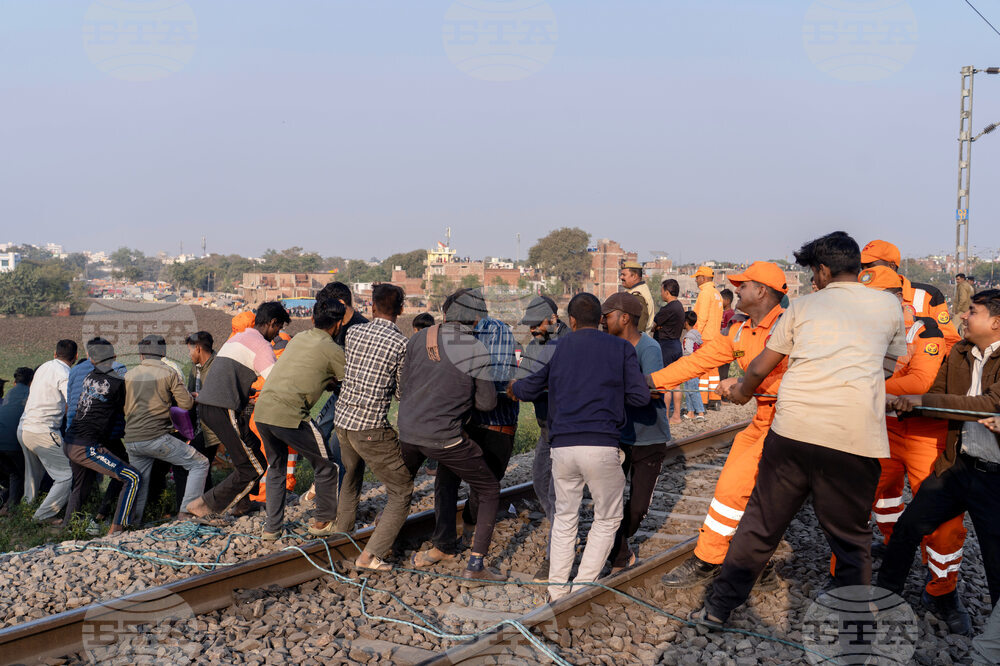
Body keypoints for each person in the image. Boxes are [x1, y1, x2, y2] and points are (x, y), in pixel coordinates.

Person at [691, 231, 906, 628]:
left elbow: (760, 366)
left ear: (823, 270)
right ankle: (851, 629)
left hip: (791, 433)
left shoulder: (803, 307)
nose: (813, 281)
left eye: (814, 272)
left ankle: (717, 609)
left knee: (760, 526)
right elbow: (889, 367)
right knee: (852, 541)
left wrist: (741, 391)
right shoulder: (890, 307)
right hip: (853, 440)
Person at [653, 262, 788, 587]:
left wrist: (744, 386)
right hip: (763, 420)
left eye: (743, 285)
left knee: (753, 494)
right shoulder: (740, 331)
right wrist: (652, 381)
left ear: (762, 291)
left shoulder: (790, 327)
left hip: (791, 421)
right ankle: (717, 560)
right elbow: (699, 361)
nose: (736, 290)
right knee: (734, 489)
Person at [853, 266, 971, 633]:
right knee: (855, 501)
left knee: (945, 521)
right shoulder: (858, 329)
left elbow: (920, 380)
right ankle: (847, 575)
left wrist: (862, 389)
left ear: (897, 298)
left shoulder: (926, 331)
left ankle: (942, 590)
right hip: (881, 429)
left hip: (926, 434)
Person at [510, 293, 649, 600]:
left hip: (562, 449)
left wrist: (513, 388)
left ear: (571, 321)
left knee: (565, 517)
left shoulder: (559, 348)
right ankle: (584, 585)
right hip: (602, 446)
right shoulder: (621, 348)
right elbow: (640, 398)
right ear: (600, 318)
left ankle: (557, 590)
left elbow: (530, 387)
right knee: (608, 517)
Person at [879, 289, 1000, 614]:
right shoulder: (959, 351)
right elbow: (934, 396)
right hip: (957, 468)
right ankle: (884, 595)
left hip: (995, 478)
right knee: (907, 529)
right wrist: (905, 405)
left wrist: (924, 401)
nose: (963, 315)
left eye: (972, 311)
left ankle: (990, 633)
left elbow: (990, 404)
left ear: (996, 322)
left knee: (995, 559)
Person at [397, 289, 505, 582]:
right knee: (489, 489)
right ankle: (476, 565)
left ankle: (384, 546)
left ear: (445, 314)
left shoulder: (419, 337)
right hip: (444, 435)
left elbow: (404, 382)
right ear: (475, 319)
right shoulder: (474, 348)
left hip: (407, 431)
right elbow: (487, 403)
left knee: (405, 485)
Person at [333, 284, 413, 570]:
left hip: (342, 420)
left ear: (372, 306)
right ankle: (370, 556)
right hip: (370, 426)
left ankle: (342, 533)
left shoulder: (353, 333)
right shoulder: (402, 344)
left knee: (351, 475)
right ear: (401, 311)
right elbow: (402, 393)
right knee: (402, 490)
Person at [185, 302, 289, 519]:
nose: (277, 334)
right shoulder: (261, 344)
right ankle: (204, 505)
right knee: (254, 466)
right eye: (278, 328)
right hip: (225, 408)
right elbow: (277, 382)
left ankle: (243, 504)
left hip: (210, 406)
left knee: (250, 457)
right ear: (272, 323)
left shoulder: (239, 337)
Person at [254, 298, 347, 540]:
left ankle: (272, 529)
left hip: (263, 411)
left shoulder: (299, 339)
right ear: (338, 324)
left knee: (276, 467)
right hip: (291, 414)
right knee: (327, 466)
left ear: (314, 319)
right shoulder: (333, 349)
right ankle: (323, 521)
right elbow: (348, 382)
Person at [439, 289, 518, 553]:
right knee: (445, 481)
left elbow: (495, 382)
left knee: (483, 487)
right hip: (461, 421)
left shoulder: (496, 331)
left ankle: (471, 535)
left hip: (493, 421)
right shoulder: (450, 333)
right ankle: (445, 540)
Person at [602, 292, 672, 572]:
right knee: (611, 500)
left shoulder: (649, 348)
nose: (604, 321)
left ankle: (617, 542)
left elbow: (654, 392)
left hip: (649, 437)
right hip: (618, 435)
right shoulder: (607, 346)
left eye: (608, 316)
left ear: (625, 318)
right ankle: (618, 553)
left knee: (638, 507)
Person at [122, 335, 208, 523]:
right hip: (156, 437)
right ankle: (187, 511)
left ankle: (131, 524)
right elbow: (185, 404)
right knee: (199, 463)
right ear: (163, 353)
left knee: (140, 482)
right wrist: (191, 397)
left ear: (141, 354)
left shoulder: (129, 375)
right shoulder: (169, 373)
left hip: (132, 440)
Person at [62, 339, 141, 535]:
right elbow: (131, 409)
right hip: (87, 447)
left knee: (80, 485)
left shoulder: (88, 376)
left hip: (70, 441)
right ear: (114, 358)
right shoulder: (117, 381)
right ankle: (117, 528)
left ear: (90, 359)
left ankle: (68, 529)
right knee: (132, 477)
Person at [517, 295, 568, 582]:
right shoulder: (534, 346)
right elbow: (526, 381)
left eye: (536, 324)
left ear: (552, 319)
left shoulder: (570, 342)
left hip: (568, 430)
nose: (532, 330)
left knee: (555, 493)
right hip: (546, 428)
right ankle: (562, 528)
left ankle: (555, 555)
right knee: (539, 480)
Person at [312, 282, 369, 491]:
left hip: (354, 399)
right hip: (338, 394)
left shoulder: (360, 328)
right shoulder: (337, 324)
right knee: (317, 433)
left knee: (342, 449)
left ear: (342, 304)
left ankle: (340, 495)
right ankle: (325, 485)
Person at [860, 239, 961, 351]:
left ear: (891, 266)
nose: (865, 272)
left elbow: (950, 342)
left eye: (870, 266)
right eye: (862, 267)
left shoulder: (927, 296)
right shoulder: (856, 295)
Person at [18, 339, 77, 522]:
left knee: (33, 475)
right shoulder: (66, 373)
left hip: (24, 427)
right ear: (75, 357)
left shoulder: (44, 367)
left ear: (54, 353)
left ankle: (26, 511)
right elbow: (71, 403)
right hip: (43, 430)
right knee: (67, 476)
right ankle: (42, 516)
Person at [175, 331, 222, 511]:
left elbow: (219, 397)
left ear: (198, 348)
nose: (189, 354)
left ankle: (185, 509)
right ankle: (208, 507)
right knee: (203, 466)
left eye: (190, 350)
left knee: (185, 463)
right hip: (199, 427)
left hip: (213, 428)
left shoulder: (217, 367)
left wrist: (198, 397)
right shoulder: (196, 368)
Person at [0, 367, 33, 514]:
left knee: (12, 473)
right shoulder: (30, 394)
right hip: (13, 443)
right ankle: (11, 509)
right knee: (20, 474)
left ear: (14, 382)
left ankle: (7, 504)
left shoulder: (9, 394)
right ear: (32, 381)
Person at [653, 279, 685, 424]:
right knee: (676, 383)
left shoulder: (669, 308)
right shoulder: (679, 306)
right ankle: (676, 415)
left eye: (662, 291)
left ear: (667, 292)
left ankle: (665, 417)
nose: (661, 293)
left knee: (665, 382)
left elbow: (655, 324)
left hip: (666, 346)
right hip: (676, 345)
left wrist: (658, 328)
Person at [692, 266, 723, 409]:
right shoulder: (717, 293)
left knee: (703, 368)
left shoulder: (705, 293)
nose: (696, 280)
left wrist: (694, 335)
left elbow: (702, 317)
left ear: (703, 278)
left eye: (697, 277)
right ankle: (715, 398)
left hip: (704, 336)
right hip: (715, 336)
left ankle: (703, 400)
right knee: (713, 369)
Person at [680, 312, 706, 422]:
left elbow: (688, 352)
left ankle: (700, 412)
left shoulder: (689, 337)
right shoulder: (695, 334)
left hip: (691, 365)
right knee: (688, 388)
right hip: (694, 365)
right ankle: (690, 412)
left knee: (693, 389)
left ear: (685, 322)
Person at [619, 261, 655, 333]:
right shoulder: (637, 291)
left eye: (624, 275)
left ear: (634, 276)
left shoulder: (637, 296)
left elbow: (639, 328)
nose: (621, 277)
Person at [718, 288, 736, 385]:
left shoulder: (730, 314)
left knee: (723, 374)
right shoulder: (724, 313)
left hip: (726, 348)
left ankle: (724, 396)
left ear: (728, 301)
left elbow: (732, 329)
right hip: (721, 346)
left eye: (722, 299)